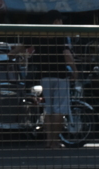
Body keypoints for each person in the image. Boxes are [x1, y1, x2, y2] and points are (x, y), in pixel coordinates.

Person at [29, 10, 78, 148]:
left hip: (44, 76)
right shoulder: (61, 35)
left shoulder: (40, 35)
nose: (62, 23)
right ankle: (55, 141)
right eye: (60, 20)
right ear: (56, 21)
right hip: (60, 76)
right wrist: (75, 70)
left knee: (49, 110)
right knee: (59, 110)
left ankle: (48, 140)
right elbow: (66, 53)